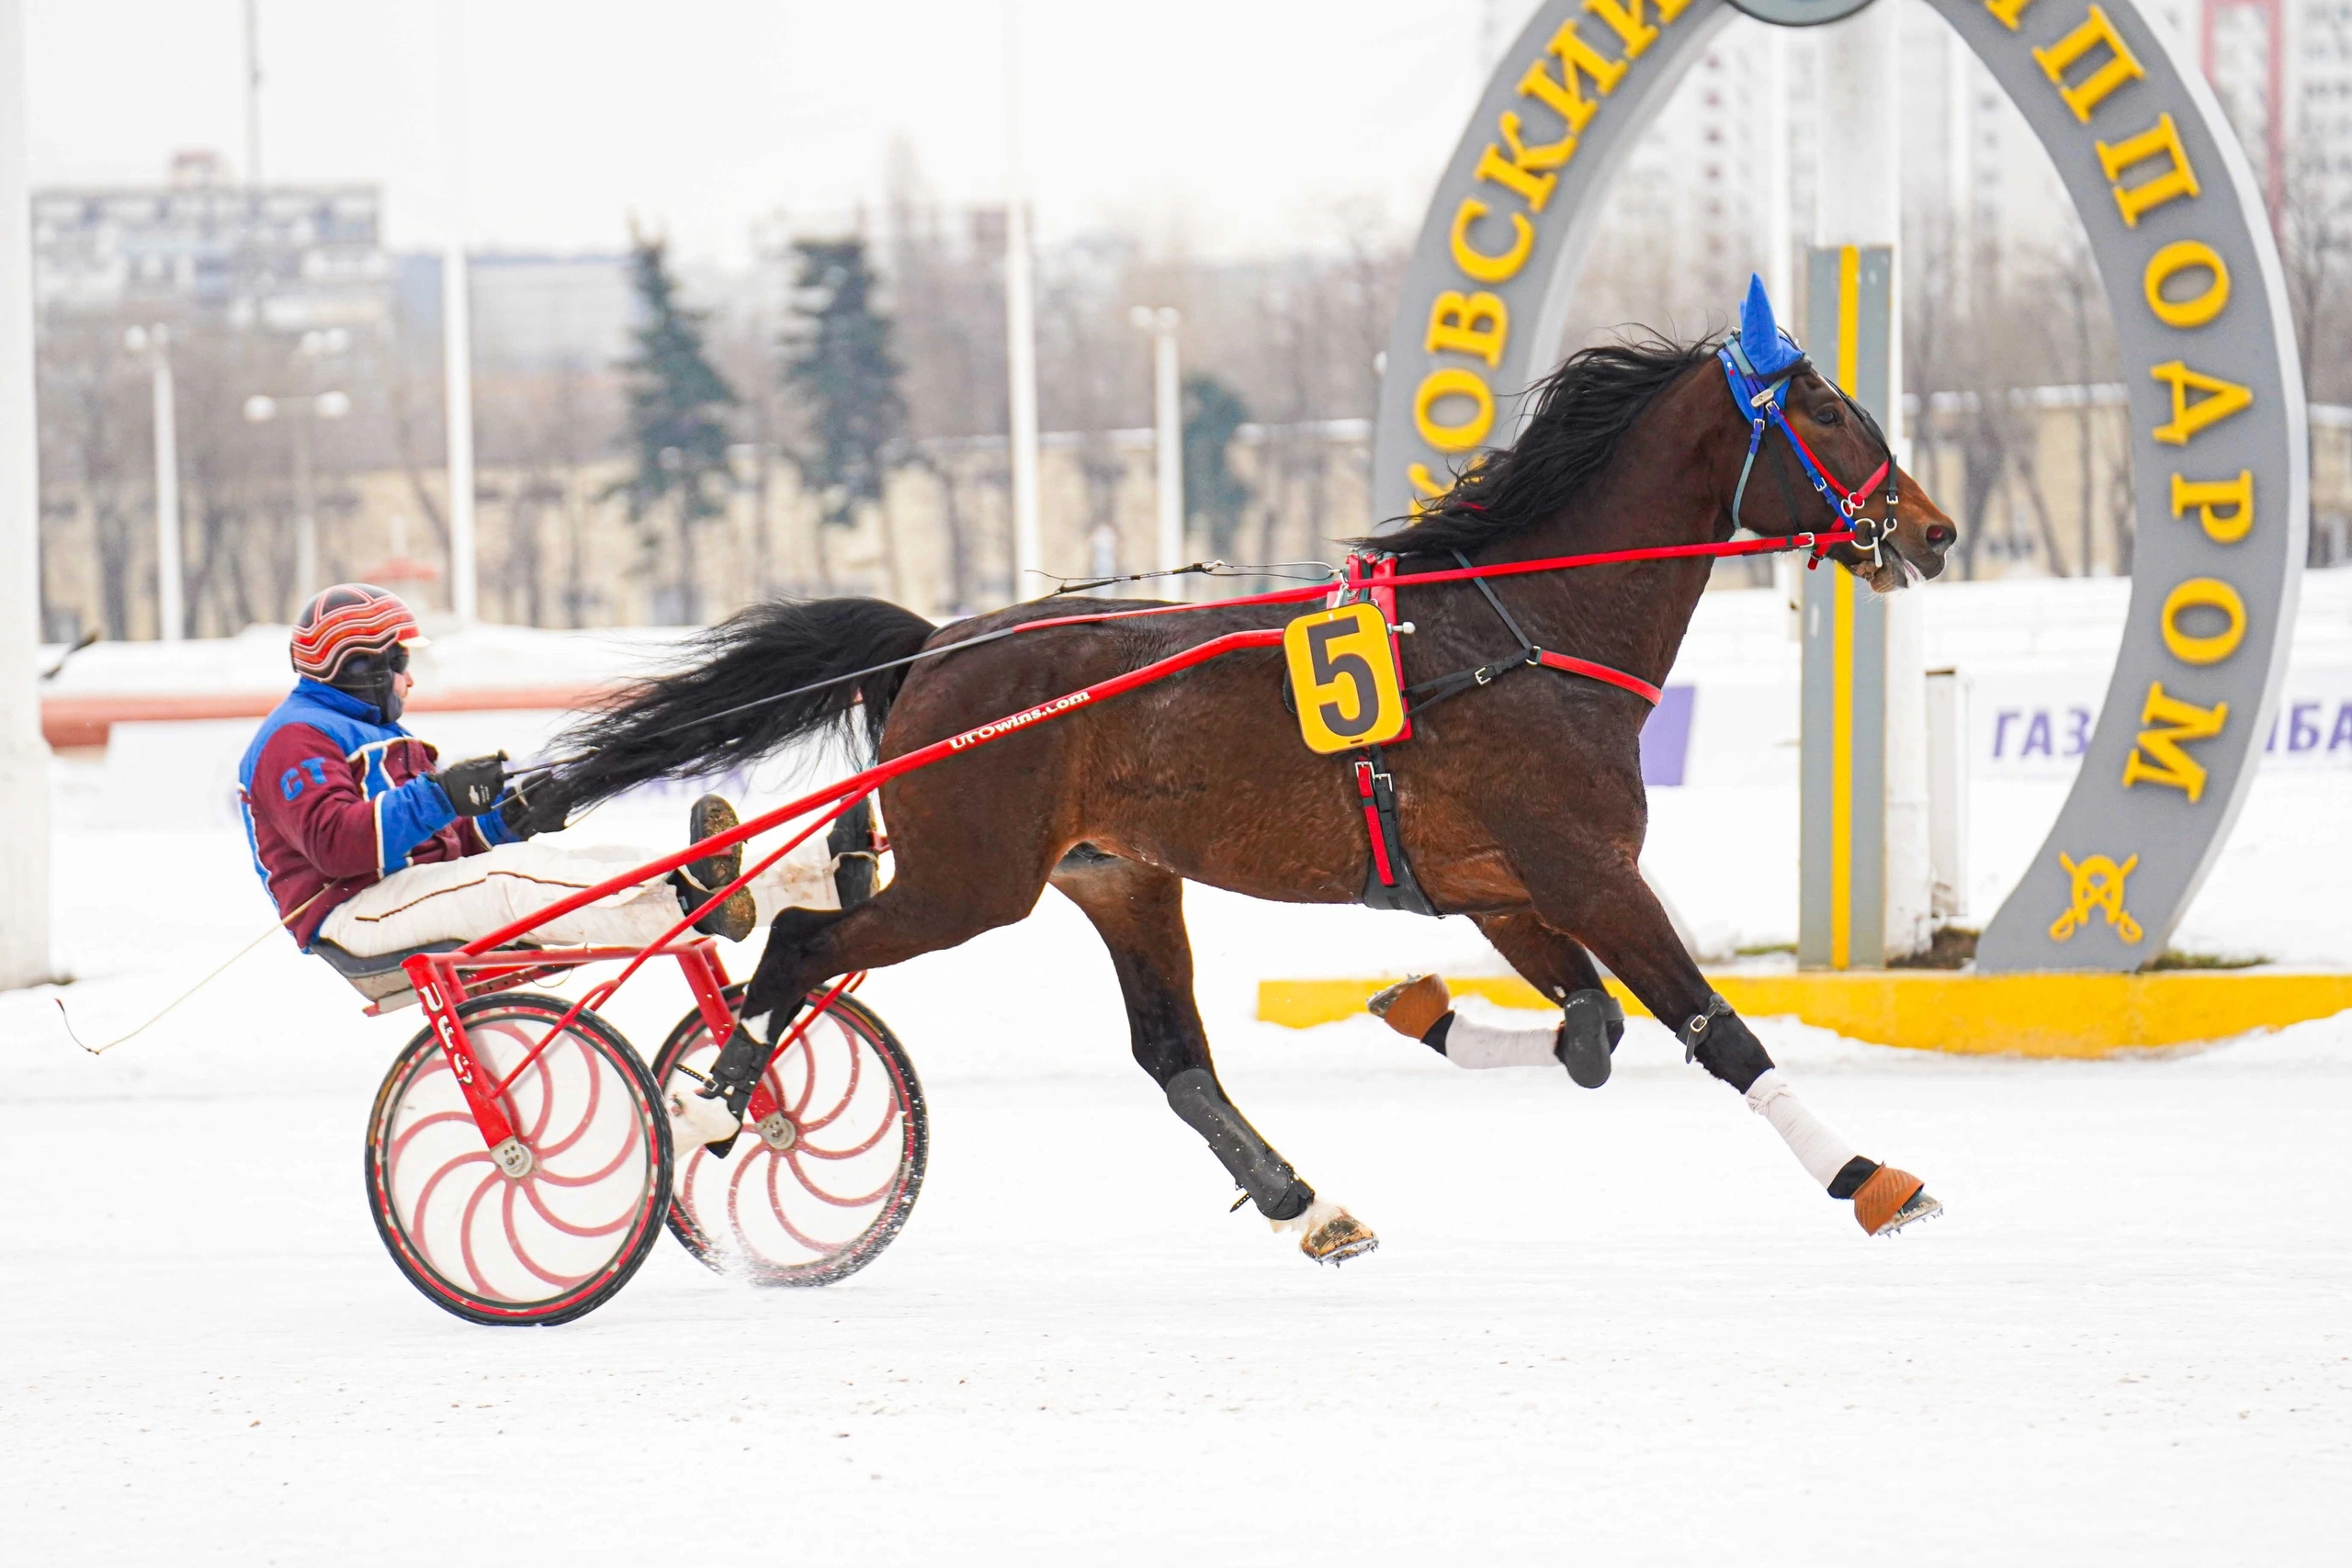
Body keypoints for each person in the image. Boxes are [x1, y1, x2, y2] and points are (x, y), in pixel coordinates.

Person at [239, 583, 762, 966]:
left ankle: (784, 883)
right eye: (398, 662)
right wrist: (442, 794)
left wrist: (508, 822)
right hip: (352, 912)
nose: (409, 678)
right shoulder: (295, 738)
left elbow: (445, 847)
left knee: (594, 861)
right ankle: (684, 897)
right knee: (508, 880)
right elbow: (337, 846)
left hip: (405, 894)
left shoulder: (377, 734)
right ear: (358, 665)